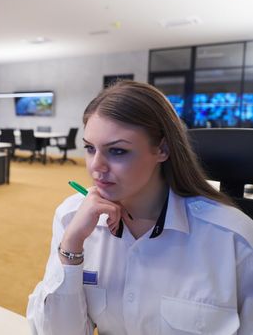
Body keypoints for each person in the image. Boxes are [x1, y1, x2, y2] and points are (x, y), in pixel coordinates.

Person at [27, 81, 253, 334]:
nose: (96, 167)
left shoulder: (234, 238)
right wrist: (71, 246)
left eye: (117, 151)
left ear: (163, 149)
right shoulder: (72, 217)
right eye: (90, 148)